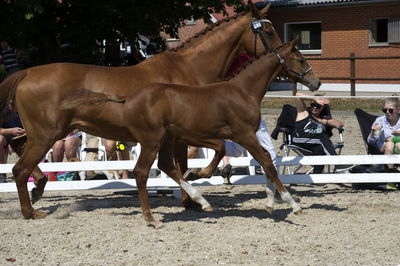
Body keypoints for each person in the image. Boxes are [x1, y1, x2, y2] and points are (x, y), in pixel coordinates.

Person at [292, 92, 344, 174]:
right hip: (299, 139)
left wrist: (323, 121)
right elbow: (297, 95)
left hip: (312, 143)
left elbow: (339, 124)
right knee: (322, 137)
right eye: (313, 105)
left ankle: (317, 177)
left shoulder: (323, 118)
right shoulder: (304, 112)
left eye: (318, 106)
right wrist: (314, 98)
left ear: (322, 108)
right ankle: (336, 162)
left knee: (321, 150)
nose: (315, 108)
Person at [219, 118, 277, 184]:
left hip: (236, 121)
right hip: (252, 121)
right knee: (269, 150)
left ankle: (225, 162)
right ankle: (271, 179)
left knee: (234, 150)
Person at [367, 97, 400, 172]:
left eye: (390, 110)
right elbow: (370, 142)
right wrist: (373, 131)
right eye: (385, 110)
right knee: (389, 144)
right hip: (383, 146)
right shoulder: (380, 121)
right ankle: (389, 172)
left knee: (399, 145)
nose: (387, 112)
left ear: (398, 110)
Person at [0, 105, 25, 182]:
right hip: (6, 134)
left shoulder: (24, 109)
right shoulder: (3, 110)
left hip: (21, 136)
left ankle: (26, 171)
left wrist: (14, 141)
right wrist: (11, 131)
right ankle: (1, 172)